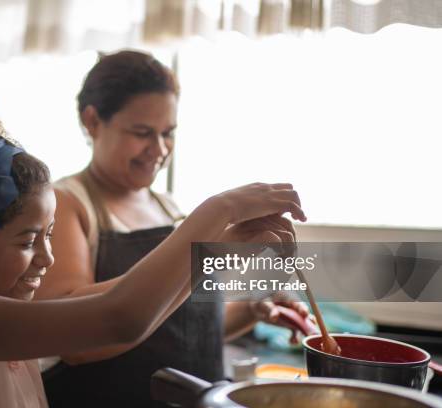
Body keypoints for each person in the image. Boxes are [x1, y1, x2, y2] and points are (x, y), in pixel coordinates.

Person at [0, 80, 306, 407]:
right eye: (28, 240)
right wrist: (219, 209)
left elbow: (122, 297)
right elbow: (119, 316)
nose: (47, 256)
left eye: (48, 234)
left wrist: (219, 251)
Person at [36, 50, 309, 407]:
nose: (159, 149)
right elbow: (72, 340)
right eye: (142, 133)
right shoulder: (68, 204)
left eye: (169, 133)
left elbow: (179, 328)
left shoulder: (170, 209)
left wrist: (250, 311)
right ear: (92, 121)